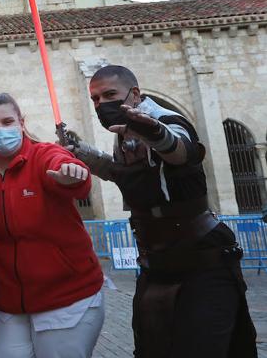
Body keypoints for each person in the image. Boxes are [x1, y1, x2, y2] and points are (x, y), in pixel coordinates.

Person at [65, 64, 256, 357]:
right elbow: (122, 174)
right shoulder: (123, 135)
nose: (102, 104)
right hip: (156, 262)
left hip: (202, 259)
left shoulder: (166, 119)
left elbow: (180, 150)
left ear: (135, 94)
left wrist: (151, 130)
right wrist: (79, 152)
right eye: (96, 99)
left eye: (109, 94)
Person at [0, 93, 104, 358]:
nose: (1, 129)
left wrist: (73, 174)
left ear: (21, 122)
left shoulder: (42, 155)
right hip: (5, 304)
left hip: (67, 298)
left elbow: (65, 166)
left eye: (7, 121)